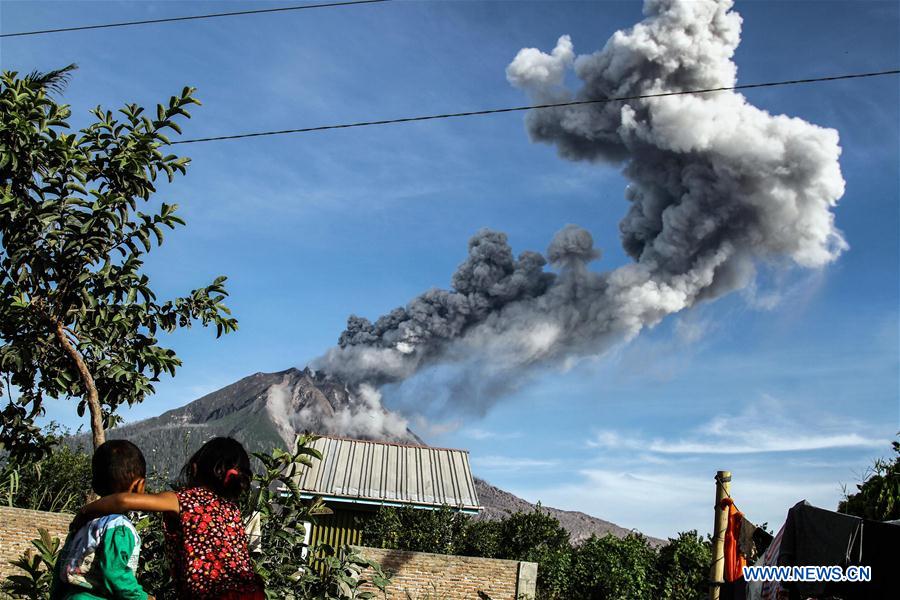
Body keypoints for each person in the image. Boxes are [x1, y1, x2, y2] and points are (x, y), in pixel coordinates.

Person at [74, 437, 263, 600]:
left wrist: (84, 512)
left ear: (194, 469)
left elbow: (123, 500)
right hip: (252, 593)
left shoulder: (184, 500)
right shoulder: (233, 511)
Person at [52, 439, 153, 600]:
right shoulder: (120, 527)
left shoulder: (83, 524)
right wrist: (141, 597)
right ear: (139, 485)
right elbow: (114, 573)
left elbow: (60, 569)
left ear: (95, 484)